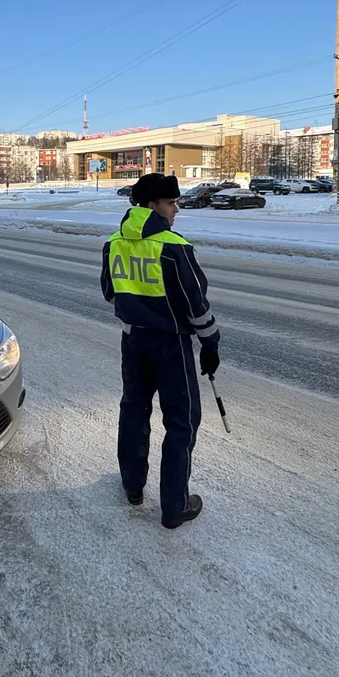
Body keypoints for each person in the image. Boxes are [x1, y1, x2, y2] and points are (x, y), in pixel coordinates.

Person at [100, 172, 220, 529]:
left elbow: (109, 292)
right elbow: (195, 305)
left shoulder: (113, 243)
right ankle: (174, 506)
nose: (176, 210)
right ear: (152, 205)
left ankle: (133, 487)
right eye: (171, 203)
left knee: (134, 411)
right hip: (171, 345)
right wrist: (210, 343)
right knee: (182, 421)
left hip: (133, 341)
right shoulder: (174, 247)